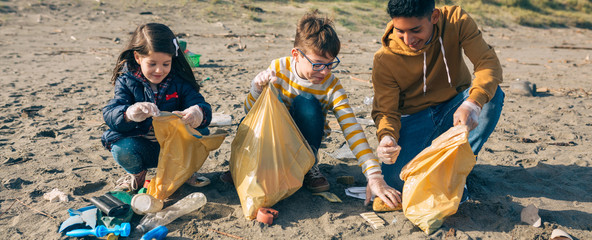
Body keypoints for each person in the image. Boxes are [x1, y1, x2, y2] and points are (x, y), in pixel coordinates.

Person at [244, 11, 400, 208]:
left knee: (307, 102)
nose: (325, 72)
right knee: (276, 99)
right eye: (317, 65)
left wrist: (374, 176)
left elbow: (351, 127)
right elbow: (250, 113)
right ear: (296, 55)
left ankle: (308, 166)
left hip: (305, 143)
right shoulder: (278, 69)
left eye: (330, 64)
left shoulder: (331, 84)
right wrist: (257, 89)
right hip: (274, 140)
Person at [372, 0, 505, 204]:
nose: (408, 39)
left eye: (415, 30)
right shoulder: (385, 58)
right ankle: (443, 171)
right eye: (400, 31)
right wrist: (387, 137)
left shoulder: (456, 21)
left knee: (490, 96)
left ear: (434, 17)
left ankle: (455, 170)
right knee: (395, 181)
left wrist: (473, 103)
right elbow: (386, 111)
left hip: (455, 108)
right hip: (414, 120)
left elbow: (488, 63)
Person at [101, 23, 212, 192]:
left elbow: (202, 106)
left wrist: (197, 113)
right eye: (152, 64)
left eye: (166, 64)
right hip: (143, 146)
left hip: (176, 148)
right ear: (138, 58)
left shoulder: (179, 81)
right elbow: (111, 114)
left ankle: (185, 171)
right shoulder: (126, 81)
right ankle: (137, 175)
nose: (159, 70)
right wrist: (129, 114)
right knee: (120, 146)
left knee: (202, 134)